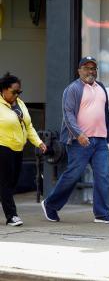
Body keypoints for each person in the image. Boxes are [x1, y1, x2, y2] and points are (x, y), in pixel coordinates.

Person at [41, 57, 109, 223]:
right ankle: (50, 204)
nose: (91, 71)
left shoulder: (101, 87)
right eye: (87, 68)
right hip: (79, 141)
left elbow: (104, 114)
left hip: (100, 141)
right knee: (73, 175)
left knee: (102, 176)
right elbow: (68, 115)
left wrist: (108, 136)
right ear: (79, 70)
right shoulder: (73, 89)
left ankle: (101, 213)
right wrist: (79, 134)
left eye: (93, 68)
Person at [0, 73, 47, 226]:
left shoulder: (19, 104)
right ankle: (11, 216)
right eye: (14, 92)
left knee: (12, 182)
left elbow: (28, 126)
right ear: (4, 90)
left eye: (19, 92)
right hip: (3, 147)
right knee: (6, 183)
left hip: (18, 148)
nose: (17, 95)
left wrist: (38, 142)